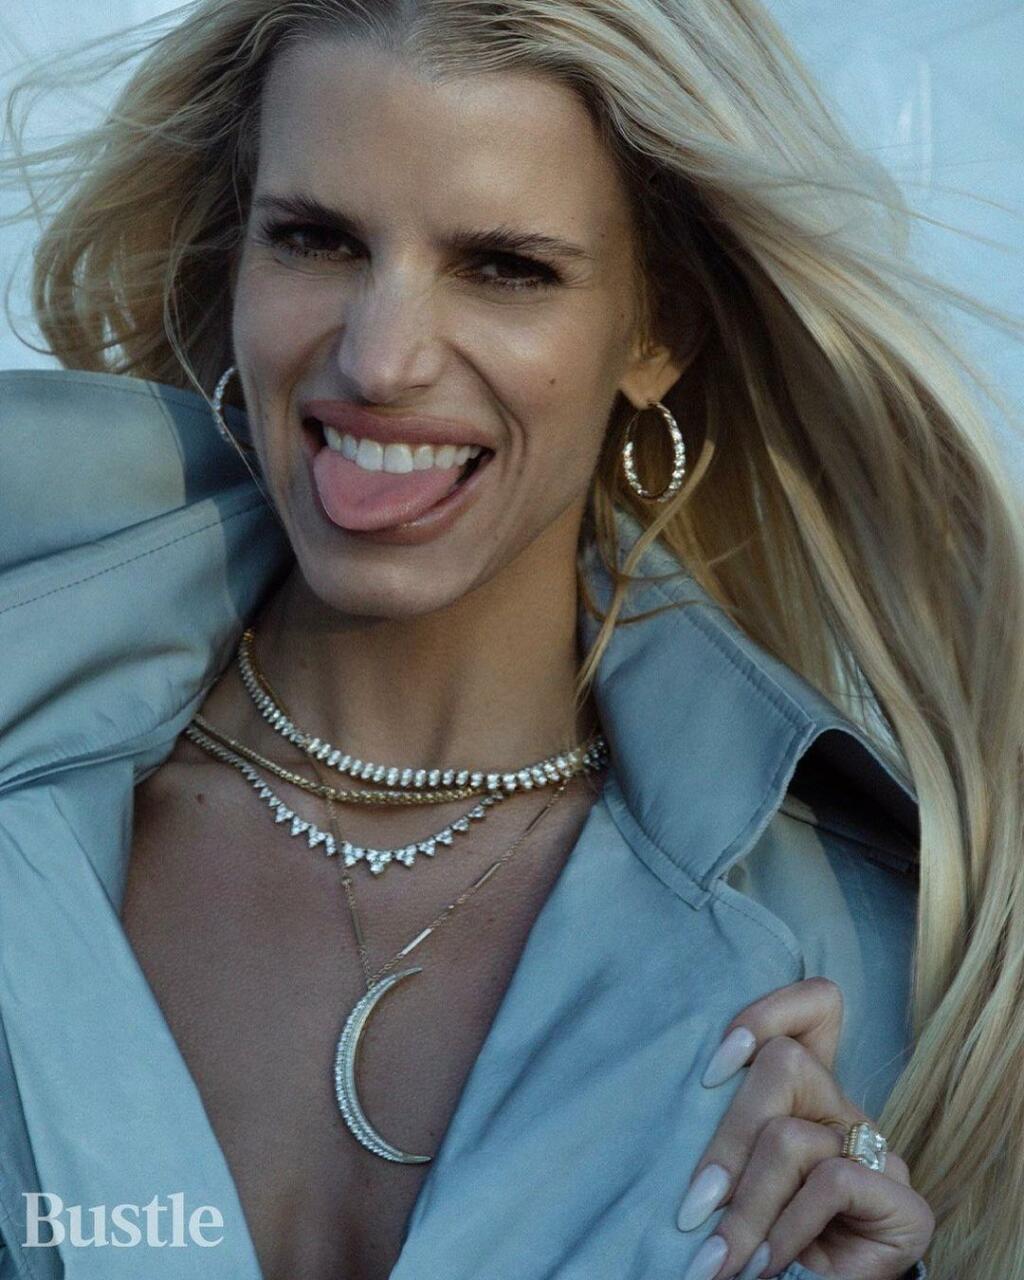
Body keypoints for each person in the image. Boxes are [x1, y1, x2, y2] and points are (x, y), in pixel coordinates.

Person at [0, 1, 1020, 1277]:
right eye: (316, 240)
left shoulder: (880, 964)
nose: (380, 359)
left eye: (503, 268)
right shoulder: (34, 785)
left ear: (657, 329)